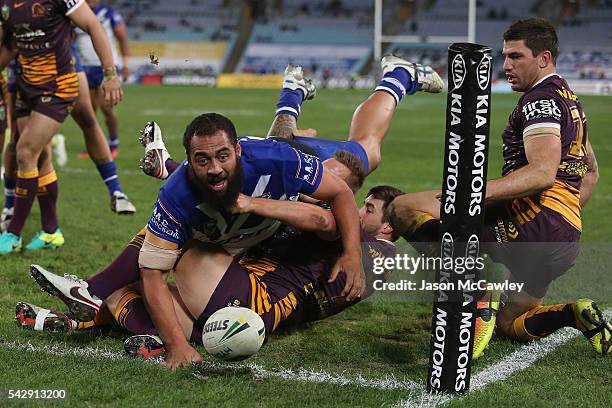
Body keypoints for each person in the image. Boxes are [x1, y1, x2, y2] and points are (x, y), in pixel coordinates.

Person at [387, 18, 610, 357]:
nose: (505, 65)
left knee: (404, 208)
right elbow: (590, 172)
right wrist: (561, 225)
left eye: (516, 56)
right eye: (504, 56)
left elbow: (541, 173)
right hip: (565, 239)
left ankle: (474, 290)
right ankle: (574, 313)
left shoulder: (541, 101)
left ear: (544, 58)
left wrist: (469, 193)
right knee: (511, 323)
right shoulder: (570, 99)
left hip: (533, 223)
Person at [17, 185, 404, 369]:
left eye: (368, 208)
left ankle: (89, 293)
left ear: (387, 227)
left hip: (251, 301)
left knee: (179, 227)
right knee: (129, 289)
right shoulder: (345, 239)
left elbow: (326, 205)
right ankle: (133, 329)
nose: (357, 208)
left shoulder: (364, 243)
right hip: (227, 306)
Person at [140, 56, 444, 193]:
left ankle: (293, 90)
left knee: (276, 155)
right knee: (365, 149)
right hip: (286, 156)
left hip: (276, 152)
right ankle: (398, 76)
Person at [0, 0, 123, 254]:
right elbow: (11, 44)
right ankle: (51, 231)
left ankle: (12, 234)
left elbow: (93, 25)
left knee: (25, 151)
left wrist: (110, 74)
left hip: (58, 85)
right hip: (26, 86)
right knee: (40, 156)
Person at [75, 0, 129, 159]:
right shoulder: (76, 12)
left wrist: (126, 64)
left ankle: (113, 143)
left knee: (107, 107)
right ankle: (93, 146)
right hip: (85, 67)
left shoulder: (109, 13)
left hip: (105, 67)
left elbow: (122, 38)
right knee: (88, 111)